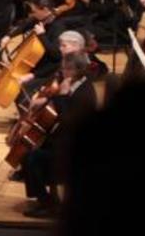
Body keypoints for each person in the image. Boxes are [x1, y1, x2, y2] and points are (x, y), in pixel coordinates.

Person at [19, 51, 97, 217]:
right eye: (63, 68)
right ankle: (45, 200)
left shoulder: (85, 93)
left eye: (67, 69)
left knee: (31, 158)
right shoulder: (73, 84)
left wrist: (61, 96)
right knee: (29, 152)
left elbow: (68, 120)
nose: (63, 72)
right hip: (65, 140)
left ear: (78, 70)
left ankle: (50, 205)